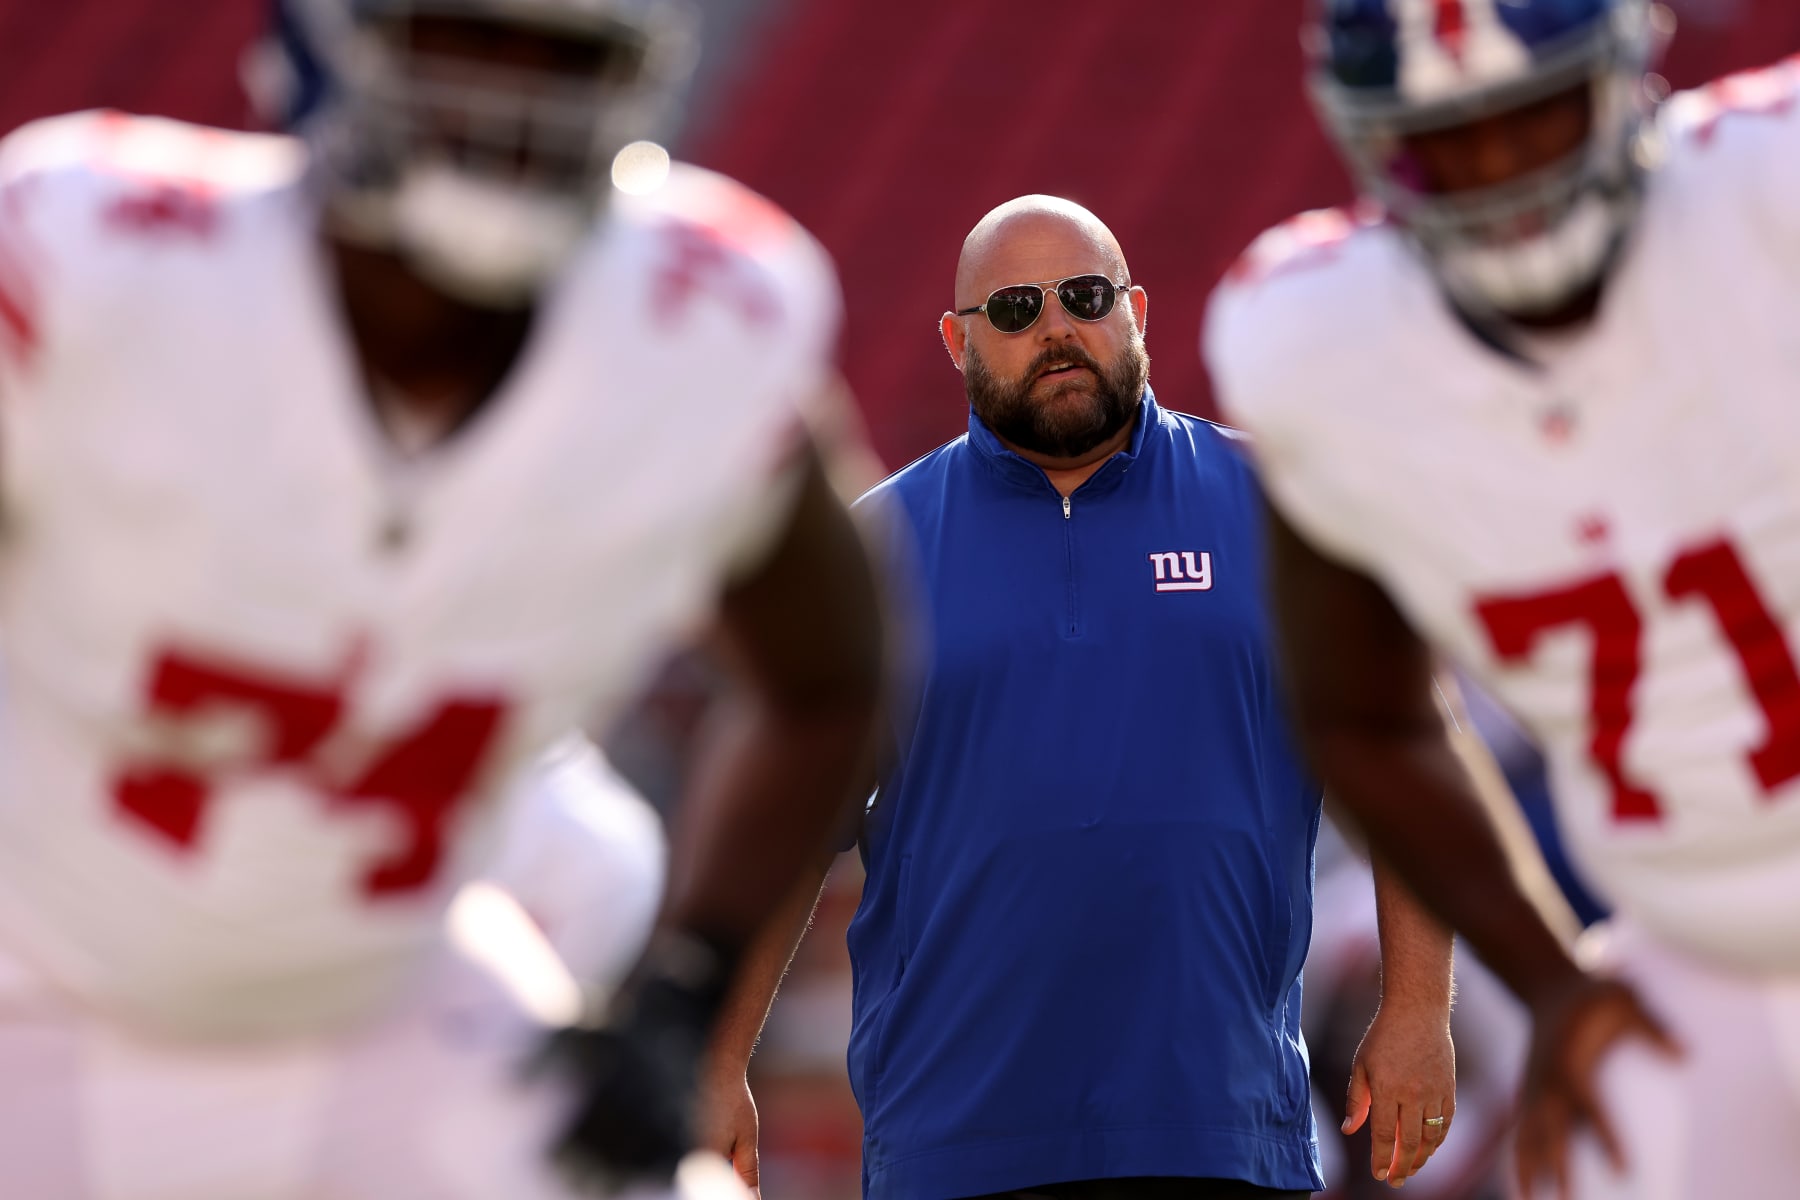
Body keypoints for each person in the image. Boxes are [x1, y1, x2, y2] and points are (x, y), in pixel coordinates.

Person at [0, 0, 884, 1194]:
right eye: (464, 39)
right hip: (32, 968)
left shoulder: (698, 322)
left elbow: (834, 676)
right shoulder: (99, 263)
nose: (515, 100)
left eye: (570, 56)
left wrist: (687, 989)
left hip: (378, 993)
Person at [715, 195, 1468, 1200]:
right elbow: (787, 831)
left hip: (1220, 1128)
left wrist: (1420, 1006)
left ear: (1138, 309)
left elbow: (1409, 751)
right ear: (956, 340)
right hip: (953, 1143)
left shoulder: (1288, 511)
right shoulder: (873, 553)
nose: (1056, 329)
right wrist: (720, 1060)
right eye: (1016, 309)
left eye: (1084, 296)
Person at [1205, 1, 1800, 1197]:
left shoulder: (1766, 191)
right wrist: (1550, 979)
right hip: (1691, 949)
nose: (1501, 177)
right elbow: (1367, 714)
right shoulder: (1325, 343)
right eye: (1450, 144)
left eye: (1533, 121)